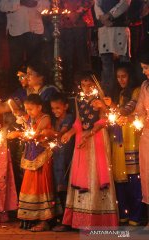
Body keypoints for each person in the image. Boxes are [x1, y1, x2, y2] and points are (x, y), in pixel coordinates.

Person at [61, 72, 118, 229]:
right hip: (82, 139)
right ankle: (80, 220)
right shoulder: (78, 100)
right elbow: (78, 122)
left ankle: (98, 220)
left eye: (89, 85)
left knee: (95, 176)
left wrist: (89, 133)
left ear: (95, 85)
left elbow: (104, 120)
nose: (86, 89)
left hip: (97, 138)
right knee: (82, 176)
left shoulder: (101, 100)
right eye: (83, 85)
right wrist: (70, 133)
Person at [7, 94, 56, 231]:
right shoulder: (28, 118)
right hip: (31, 158)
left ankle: (45, 221)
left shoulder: (45, 118)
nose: (28, 112)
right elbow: (22, 118)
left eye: (31, 109)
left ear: (39, 107)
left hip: (42, 158)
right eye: (27, 109)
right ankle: (30, 218)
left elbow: (34, 135)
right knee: (29, 187)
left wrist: (16, 134)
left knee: (41, 187)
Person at [106, 63, 143, 226]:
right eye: (118, 77)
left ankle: (136, 215)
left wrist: (111, 106)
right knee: (120, 179)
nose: (121, 80)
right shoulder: (119, 93)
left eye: (124, 76)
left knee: (134, 179)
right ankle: (123, 214)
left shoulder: (136, 91)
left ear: (130, 76)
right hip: (119, 142)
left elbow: (128, 109)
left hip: (132, 140)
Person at [0, 0, 50, 91]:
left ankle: (37, 92)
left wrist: (36, 3)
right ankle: (17, 92)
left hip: (35, 29)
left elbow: (47, 6)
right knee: (16, 64)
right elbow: (2, 6)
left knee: (35, 65)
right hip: (16, 30)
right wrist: (20, 2)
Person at [42, 92, 75, 231]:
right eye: (53, 108)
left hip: (66, 159)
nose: (55, 111)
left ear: (66, 106)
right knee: (57, 188)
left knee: (65, 188)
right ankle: (60, 218)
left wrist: (50, 134)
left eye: (58, 108)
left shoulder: (68, 118)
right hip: (57, 158)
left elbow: (61, 133)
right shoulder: (55, 121)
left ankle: (66, 222)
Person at [94, 0, 131, 97]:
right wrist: (102, 17)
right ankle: (108, 98)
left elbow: (125, 2)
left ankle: (126, 96)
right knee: (106, 68)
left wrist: (110, 15)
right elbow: (97, 4)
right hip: (104, 30)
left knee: (123, 65)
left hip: (119, 28)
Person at [134, 52, 149, 230]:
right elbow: (139, 110)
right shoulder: (145, 86)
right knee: (147, 175)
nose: (144, 72)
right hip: (147, 137)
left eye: (146, 68)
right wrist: (135, 119)